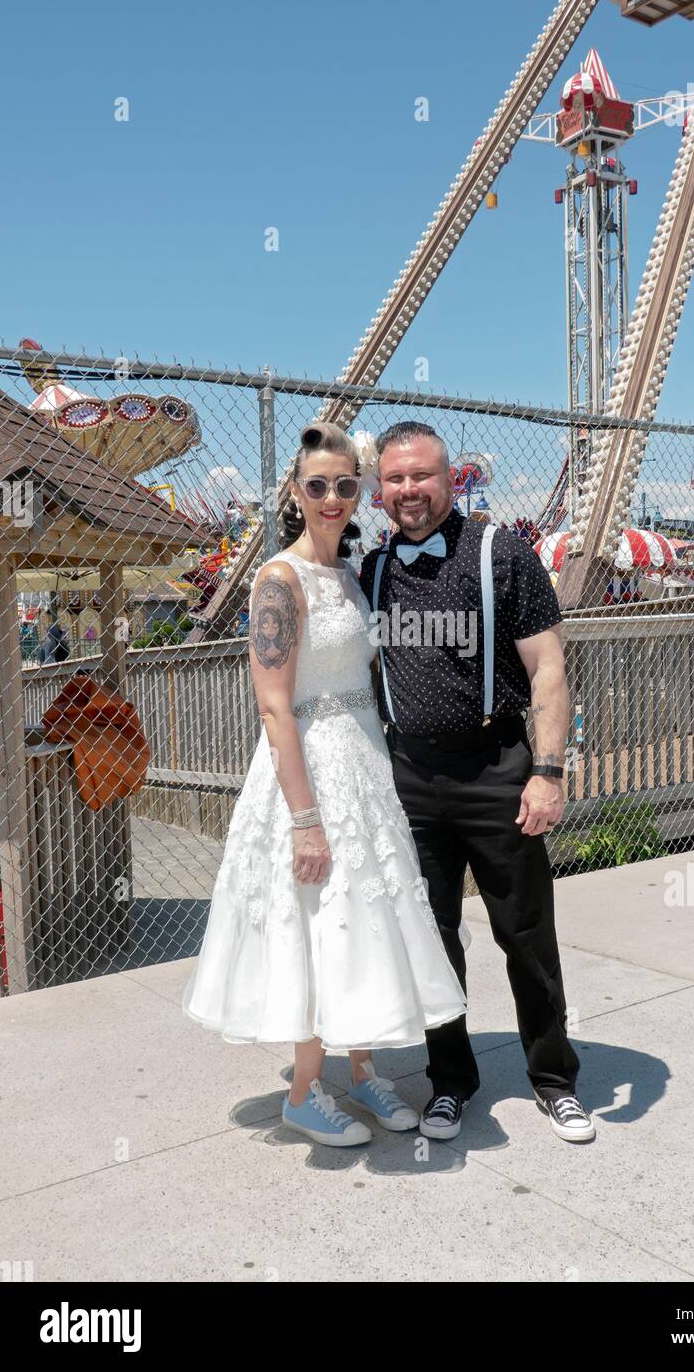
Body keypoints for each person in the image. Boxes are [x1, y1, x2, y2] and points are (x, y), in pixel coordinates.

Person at [182, 422, 467, 1148]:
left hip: (364, 762)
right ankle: (304, 1091)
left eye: (345, 484)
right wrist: (304, 818)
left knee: (362, 920)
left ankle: (362, 1063)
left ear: (359, 489)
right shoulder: (279, 580)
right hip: (307, 768)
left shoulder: (351, 573)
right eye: (318, 485)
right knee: (319, 917)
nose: (333, 497)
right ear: (296, 493)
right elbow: (274, 704)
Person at [360, 421, 595, 1144]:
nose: (409, 491)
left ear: (452, 478)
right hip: (409, 776)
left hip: (497, 768)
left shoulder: (503, 554)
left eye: (422, 476)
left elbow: (548, 669)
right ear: (380, 489)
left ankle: (554, 1079)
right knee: (432, 940)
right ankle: (450, 1082)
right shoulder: (369, 571)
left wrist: (548, 772)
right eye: (395, 479)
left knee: (526, 933)